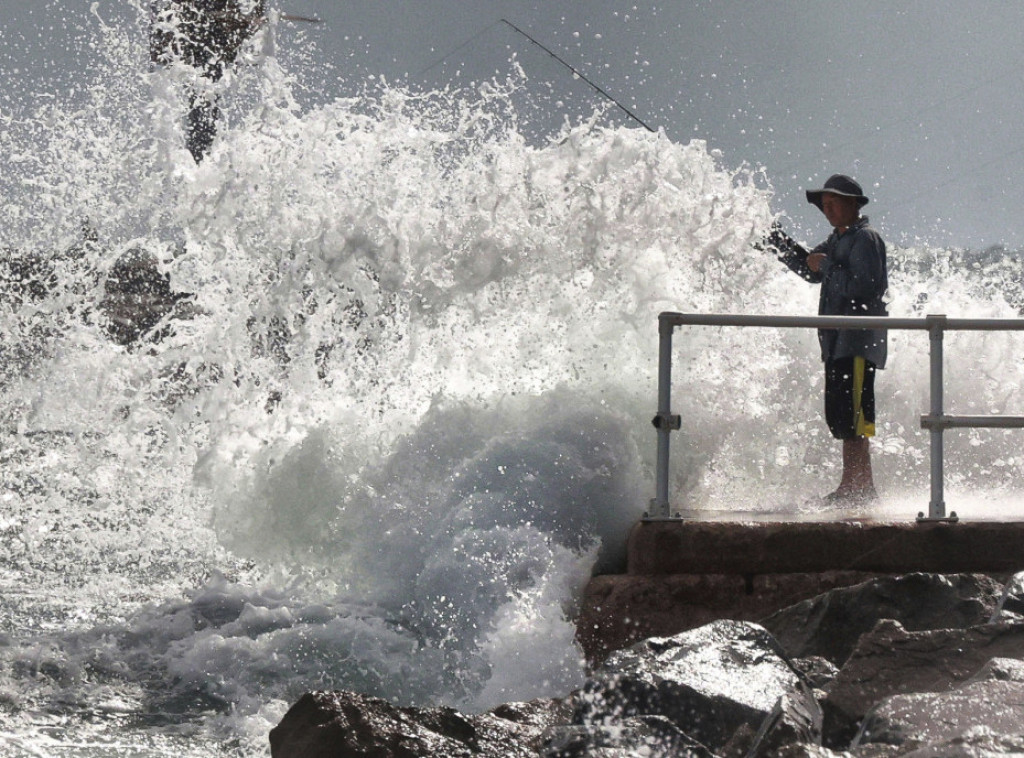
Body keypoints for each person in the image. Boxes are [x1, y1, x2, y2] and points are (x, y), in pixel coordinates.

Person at [765, 174, 888, 504]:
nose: (827, 209)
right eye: (825, 205)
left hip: (858, 342)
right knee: (843, 416)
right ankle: (855, 486)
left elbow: (865, 288)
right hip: (837, 343)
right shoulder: (837, 239)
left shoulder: (866, 239)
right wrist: (772, 238)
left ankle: (859, 488)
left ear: (853, 204)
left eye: (833, 203)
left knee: (856, 417)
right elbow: (810, 269)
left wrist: (828, 265)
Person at [150, 0, 267, 162]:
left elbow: (254, 14)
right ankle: (197, 162)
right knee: (199, 104)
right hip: (192, 30)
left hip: (215, 35)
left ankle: (199, 162)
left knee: (205, 104)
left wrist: (252, 20)